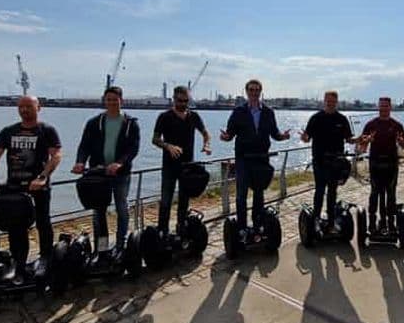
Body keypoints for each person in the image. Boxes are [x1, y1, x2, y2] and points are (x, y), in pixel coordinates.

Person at [0, 96, 62, 284]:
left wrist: (42, 177)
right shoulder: (9, 131)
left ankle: (45, 258)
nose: (24, 110)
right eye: (21, 107)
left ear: (38, 108)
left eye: (29, 106)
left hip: (38, 186)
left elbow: (56, 155)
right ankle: (19, 264)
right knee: (16, 226)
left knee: (43, 221)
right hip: (14, 186)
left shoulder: (47, 130)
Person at [72, 86, 140, 256]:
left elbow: (133, 149)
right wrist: (80, 162)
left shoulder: (131, 124)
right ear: (104, 101)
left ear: (121, 101)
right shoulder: (94, 123)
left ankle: (120, 244)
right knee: (98, 211)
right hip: (98, 174)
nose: (111, 103)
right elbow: (84, 145)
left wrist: (119, 163)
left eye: (114, 100)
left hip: (120, 174)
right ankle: (101, 248)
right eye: (108, 99)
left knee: (121, 208)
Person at [220, 79, 290, 241]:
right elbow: (230, 134)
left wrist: (283, 137)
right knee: (241, 195)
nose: (254, 93)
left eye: (257, 90)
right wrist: (225, 137)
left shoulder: (268, 112)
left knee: (259, 194)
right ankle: (242, 228)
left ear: (260, 92)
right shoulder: (238, 112)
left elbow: (275, 134)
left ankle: (258, 226)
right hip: (243, 158)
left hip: (261, 158)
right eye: (251, 90)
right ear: (247, 92)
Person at [152, 85, 212, 237]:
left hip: (187, 166)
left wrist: (206, 145)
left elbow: (205, 133)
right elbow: (155, 139)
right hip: (169, 166)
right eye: (180, 100)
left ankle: (182, 229)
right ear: (174, 99)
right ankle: (162, 232)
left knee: (184, 202)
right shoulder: (164, 117)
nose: (183, 104)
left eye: (186, 101)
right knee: (166, 201)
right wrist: (168, 146)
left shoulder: (194, 116)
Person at [300, 91, 356, 231]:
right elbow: (307, 138)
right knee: (319, 190)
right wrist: (304, 138)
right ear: (324, 101)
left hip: (336, 161)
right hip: (319, 160)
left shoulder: (342, 119)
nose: (330, 103)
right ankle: (316, 219)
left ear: (336, 102)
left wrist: (360, 140)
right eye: (328, 101)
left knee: (332, 191)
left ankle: (331, 221)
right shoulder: (316, 118)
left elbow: (349, 139)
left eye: (333, 101)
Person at [356, 97, 404, 230]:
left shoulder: (396, 125)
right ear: (378, 107)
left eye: (386, 106)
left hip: (391, 163)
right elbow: (361, 148)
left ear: (390, 108)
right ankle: (372, 222)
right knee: (375, 193)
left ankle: (390, 222)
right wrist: (366, 141)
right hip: (375, 163)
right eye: (381, 106)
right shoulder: (371, 125)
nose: (384, 109)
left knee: (391, 193)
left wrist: (401, 141)